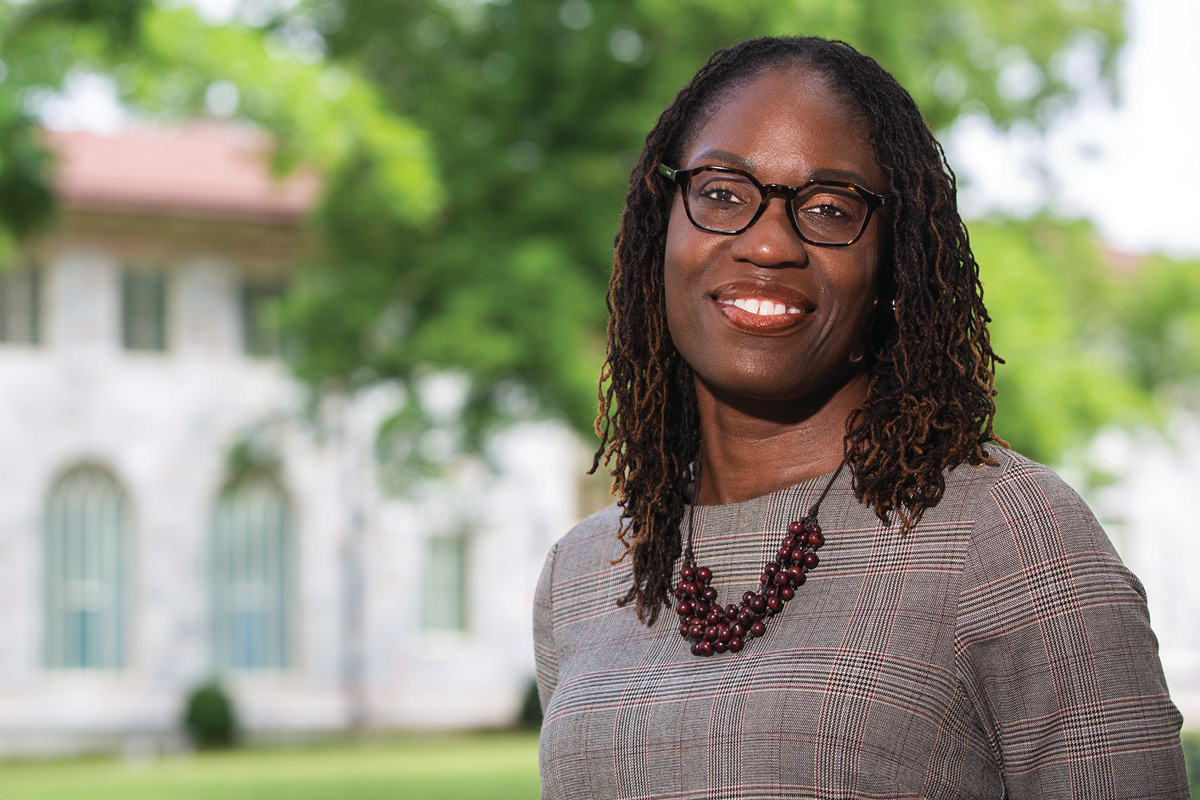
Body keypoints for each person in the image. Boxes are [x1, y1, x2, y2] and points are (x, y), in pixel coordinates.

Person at [532, 35, 1188, 800]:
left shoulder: (1010, 535)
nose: (769, 241)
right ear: (661, 228)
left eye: (829, 208)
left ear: (892, 264)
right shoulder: (584, 573)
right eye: (721, 192)